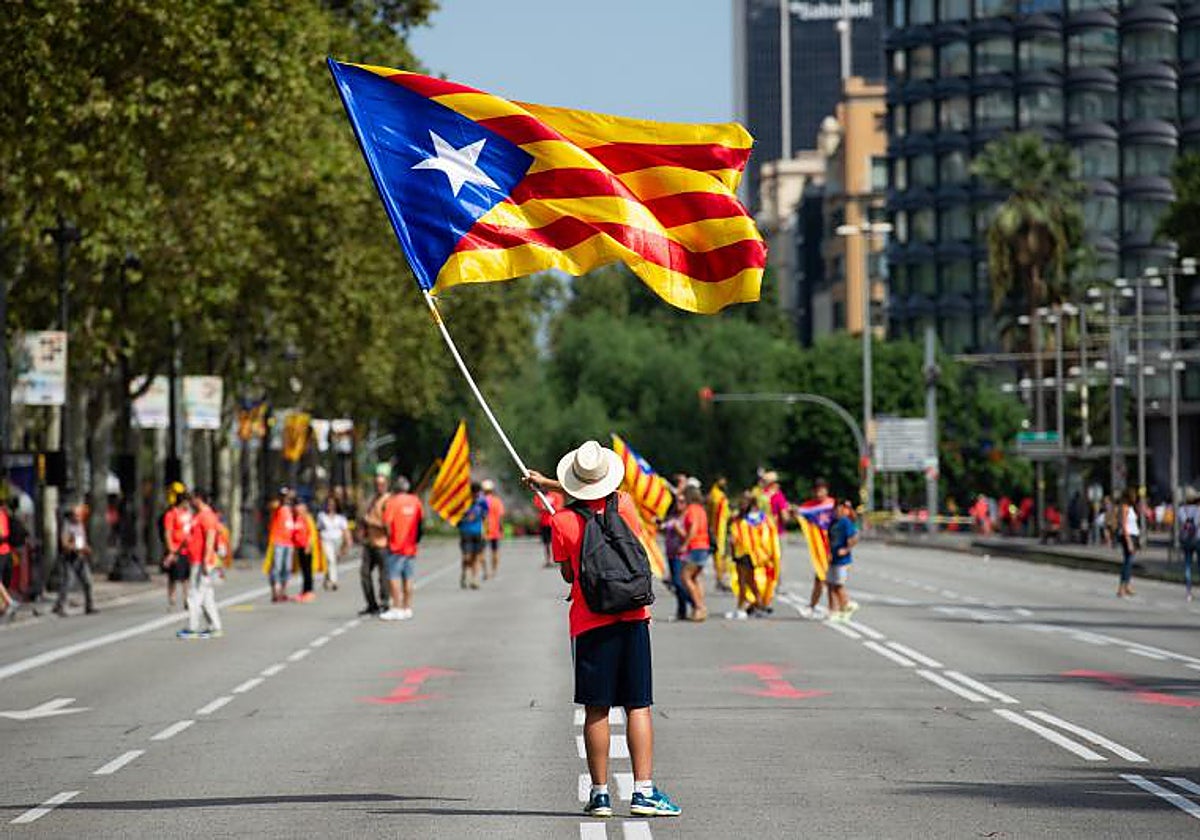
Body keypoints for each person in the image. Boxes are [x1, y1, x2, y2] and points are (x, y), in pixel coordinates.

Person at [526, 440, 681, 820]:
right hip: (632, 616)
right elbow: (607, 500)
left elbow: (568, 572)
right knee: (638, 705)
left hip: (590, 621)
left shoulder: (562, 522)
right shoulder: (624, 505)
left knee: (596, 709)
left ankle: (599, 796)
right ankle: (643, 791)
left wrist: (548, 486)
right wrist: (550, 484)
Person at [178, 490, 223, 639]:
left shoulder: (207, 515)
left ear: (199, 499)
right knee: (206, 596)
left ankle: (192, 628)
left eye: (192, 499)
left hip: (201, 560)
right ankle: (215, 626)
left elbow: (210, 536)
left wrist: (206, 558)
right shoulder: (198, 515)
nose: (190, 502)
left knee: (194, 594)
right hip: (196, 558)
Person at [380, 476, 423, 621]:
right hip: (410, 546)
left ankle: (396, 607)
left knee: (394, 577)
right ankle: (407, 607)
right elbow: (419, 522)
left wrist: (389, 538)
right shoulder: (415, 501)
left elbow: (387, 523)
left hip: (396, 546)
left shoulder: (392, 502)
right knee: (409, 577)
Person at [727, 492, 774, 620]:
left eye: (745, 502)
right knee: (749, 581)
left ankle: (741, 608)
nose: (742, 504)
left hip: (748, 553)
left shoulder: (754, 518)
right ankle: (759, 605)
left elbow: (760, 535)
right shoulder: (739, 517)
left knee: (743, 581)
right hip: (739, 551)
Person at [53, 502, 95, 616]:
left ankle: (90, 606)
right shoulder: (67, 525)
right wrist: (76, 548)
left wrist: (85, 547)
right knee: (68, 582)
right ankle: (60, 606)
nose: (78, 517)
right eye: (76, 515)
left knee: (88, 581)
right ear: (71, 515)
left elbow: (82, 539)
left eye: (79, 515)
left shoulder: (80, 525)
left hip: (81, 557)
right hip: (69, 558)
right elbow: (64, 543)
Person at [358, 473, 391, 615]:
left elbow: (388, 525)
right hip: (369, 543)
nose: (379, 487)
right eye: (377, 484)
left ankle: (385, 602)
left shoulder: (388, 501)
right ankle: (371, 604)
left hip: (382, 543)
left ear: (386, 485)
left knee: (383, 575)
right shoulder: (373, 500)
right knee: (364, 573)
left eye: (382, 484)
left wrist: (370, 522)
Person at [680, 486, 710, 622]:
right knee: (696, 577)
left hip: (696, 546)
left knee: (685, 577)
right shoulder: (701, 509)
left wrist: (685, 544)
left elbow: (693, 528)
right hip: (704, 545)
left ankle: (699, 606)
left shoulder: (691, 509)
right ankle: (700, 608)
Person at [827, 499, 860, 621]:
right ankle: (837, 610)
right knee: (831, 585)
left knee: (838, 585)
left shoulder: (845, 522)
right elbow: (828, 539)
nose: (837, 511)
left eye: (840, 508)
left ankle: (847, 604)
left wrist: (846, 549)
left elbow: (853, 538)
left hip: (843, 560)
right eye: (836, 508)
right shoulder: (832, 523)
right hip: (832, 558)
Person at [162, 485, 192, 609]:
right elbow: (168, 532)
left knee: (186, 577)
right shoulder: (171, 514)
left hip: (187, 549)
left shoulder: (188, 514)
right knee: (173, 577)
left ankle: (187, 599)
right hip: (176, 549)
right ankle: (172, 599)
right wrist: (171, 550)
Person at [661, 496, 691, 621]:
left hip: (681, 555)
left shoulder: (687, 518)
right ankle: (681, 611)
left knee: (678, 583)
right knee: (675, 583)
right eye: (677, 501)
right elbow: (663, 528)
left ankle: (694, 602)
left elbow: (688, 536)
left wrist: (678, 530)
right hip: (671, 554)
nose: (679, 504)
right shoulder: (672, 517)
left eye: (682, 502)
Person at [265, 488, 298, 603]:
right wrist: (281, 500)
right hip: (278, 541)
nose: (285, 498)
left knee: (287, 568)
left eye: (287, 496)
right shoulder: (277, 506)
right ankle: (275, 591)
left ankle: (283, 592)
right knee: (277, 567)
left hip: (289, 542)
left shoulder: (291, 508)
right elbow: (272, 505)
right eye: (283, 496)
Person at [458, 483, 487, 590]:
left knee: (476, 557)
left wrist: (484, 532)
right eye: (474, 493)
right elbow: (458, 516)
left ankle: (474, 579)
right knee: (467, 557)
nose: (476, 495)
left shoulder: (482, 502)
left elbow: (485, 517)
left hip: (477, 532)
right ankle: (464, 574)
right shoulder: (465, 502)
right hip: (465, 532)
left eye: (477, 493)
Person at [318, 496, 350, 591]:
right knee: (330, 560)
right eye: (328, 504)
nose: (330, 506)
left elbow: (345, 531)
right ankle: (334, 581)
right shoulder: (321, 516)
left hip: (338, 540)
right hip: (326, 540)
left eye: (332, 504)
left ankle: (327, 578)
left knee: (333, 562)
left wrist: (347, 543)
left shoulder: (341, 517)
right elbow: (318, 530)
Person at [706, 477, 731, 591]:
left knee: (721, 555)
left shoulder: (714, 494)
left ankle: (721, 578)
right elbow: (722, 515)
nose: (725, 482)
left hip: (718, 528)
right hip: (719, 529)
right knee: (720, 554)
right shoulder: (718, 496)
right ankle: (721, 579)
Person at [1117, 488, 1140, 597]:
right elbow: (1124, 525)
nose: (1135, 498)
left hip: (1133, 535)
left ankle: (1127, 586)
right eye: (1133, 496)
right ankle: (1122, 587)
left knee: (1129, 562)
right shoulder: (1124, 507)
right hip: (1128, 536)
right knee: (1127, 562)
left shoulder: (1131, 508)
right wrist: (1129, 541)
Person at [535, 486, 565, 568]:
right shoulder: (539, 495)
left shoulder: (556, 495)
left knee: (557, 542)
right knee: (546, 543)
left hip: (555, 522)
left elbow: (559, 507)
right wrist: (548, 506)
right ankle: (548, 560)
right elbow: (538, 505)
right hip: (544, 523)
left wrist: (548, 507)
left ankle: (560, 559)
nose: (543, 488)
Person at [1178, 490, 1200, 601]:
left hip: (1186, 539)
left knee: (1187, 565)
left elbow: (1181, 524)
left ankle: (1188, 592)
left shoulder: (1181, 510)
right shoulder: (1198, 509)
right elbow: (1196, 523)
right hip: (1198, 538)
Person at [482, 479, 505, 580]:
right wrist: (501, 528)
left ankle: (485, 571)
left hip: (483, 530)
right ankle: (494, 571)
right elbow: (500, 517)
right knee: (494, 551)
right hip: (495, 530)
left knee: (481, 552)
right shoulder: (497, 501)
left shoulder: (480, 501)